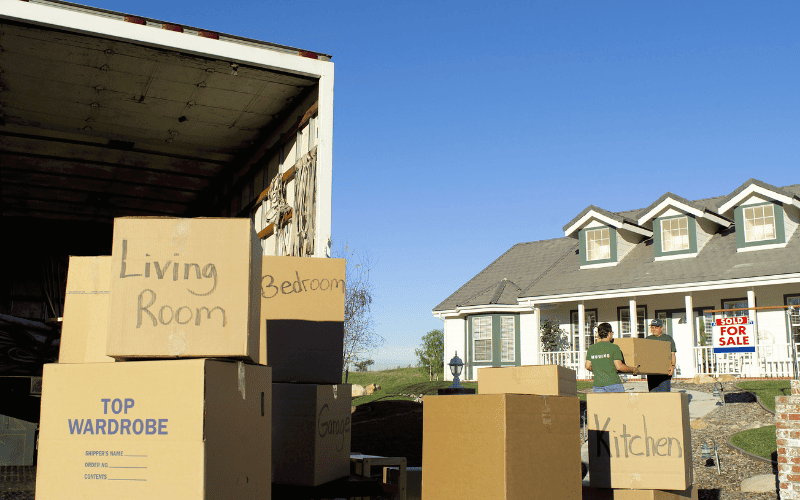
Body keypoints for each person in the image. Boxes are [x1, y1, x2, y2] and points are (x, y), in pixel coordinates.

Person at [585, 322, 639, 393]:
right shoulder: (614, 347)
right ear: (609, 333)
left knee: (602, 404)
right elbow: (619, 367)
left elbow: (587, 366)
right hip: (613, 384)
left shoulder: (592, 348)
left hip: (598, 385)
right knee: (619, 404)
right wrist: (633, 369)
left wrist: (598, 370)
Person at [645, 318, 677, 392]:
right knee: (653, 395)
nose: (654, 329)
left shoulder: (667, 338)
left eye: (656, 327)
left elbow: (673, 354)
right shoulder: (648, 339)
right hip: (652, 372)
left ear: (661, 328)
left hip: (664, 372)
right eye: (652, 327)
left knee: (664, 395)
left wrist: (672, 366)